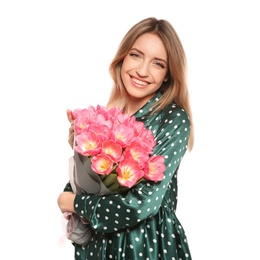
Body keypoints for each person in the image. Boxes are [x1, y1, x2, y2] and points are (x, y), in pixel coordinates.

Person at [58, 17, 194, 260]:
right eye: (136, 55)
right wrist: (79, 150)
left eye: (158, 64)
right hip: (100, 247)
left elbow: (143, 205)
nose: (142, 71)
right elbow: (91, 187)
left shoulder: (173, 118)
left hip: (145, 245)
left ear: (167, 75)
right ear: (122, 58)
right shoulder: (108, 118)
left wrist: (76, 204)